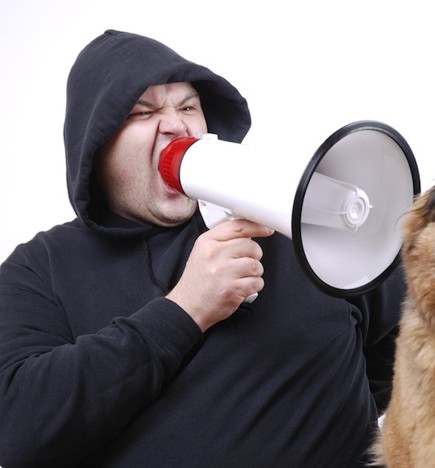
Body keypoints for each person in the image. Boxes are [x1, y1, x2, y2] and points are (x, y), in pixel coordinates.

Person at [0, 30, 406, 467]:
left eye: (189, 106)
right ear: (94, 146)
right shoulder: (41, 267)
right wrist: (186, 309)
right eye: (142, 111)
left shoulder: (292, 217)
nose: (177, 124)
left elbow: (410, 329)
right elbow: (17, 427)